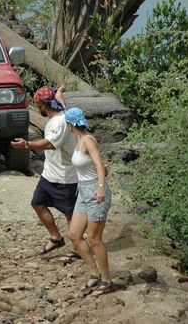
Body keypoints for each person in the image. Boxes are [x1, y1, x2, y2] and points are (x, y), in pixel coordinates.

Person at [10, 86, 79, 256]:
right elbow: (62, 103)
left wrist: (26, 144)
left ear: (42, 106)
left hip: (65, 177)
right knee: (37, 203)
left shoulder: (59, 122)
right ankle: (56, 238)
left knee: (69, 214)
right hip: (49, 174)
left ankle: (79, 247)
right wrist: (60, 93)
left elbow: (49, 143)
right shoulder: (62, 112)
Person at [63, 107, 113, 297]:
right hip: (83, 191)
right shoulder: (78, 138)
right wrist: (59, 97)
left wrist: (100, 186)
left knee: (94, 238)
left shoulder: (88, 140)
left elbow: (100, 165)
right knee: (74, 234)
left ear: (71, 124)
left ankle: (107, 280)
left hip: (95, 191)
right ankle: (93, 272)